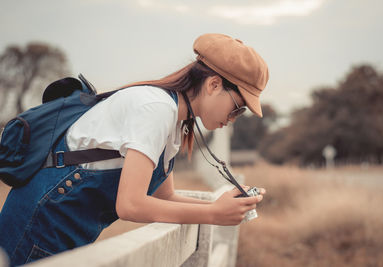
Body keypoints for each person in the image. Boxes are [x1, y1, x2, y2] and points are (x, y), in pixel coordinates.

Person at [0, 33, 269, 266]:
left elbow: (165, 197)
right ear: (213, 84)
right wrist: (212, 214)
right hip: (40, 224)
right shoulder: (156, 109)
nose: (234, 118)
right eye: (238, 108)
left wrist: (222, 206)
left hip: (59, 226)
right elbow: (130, 205)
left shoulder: (175, 121)